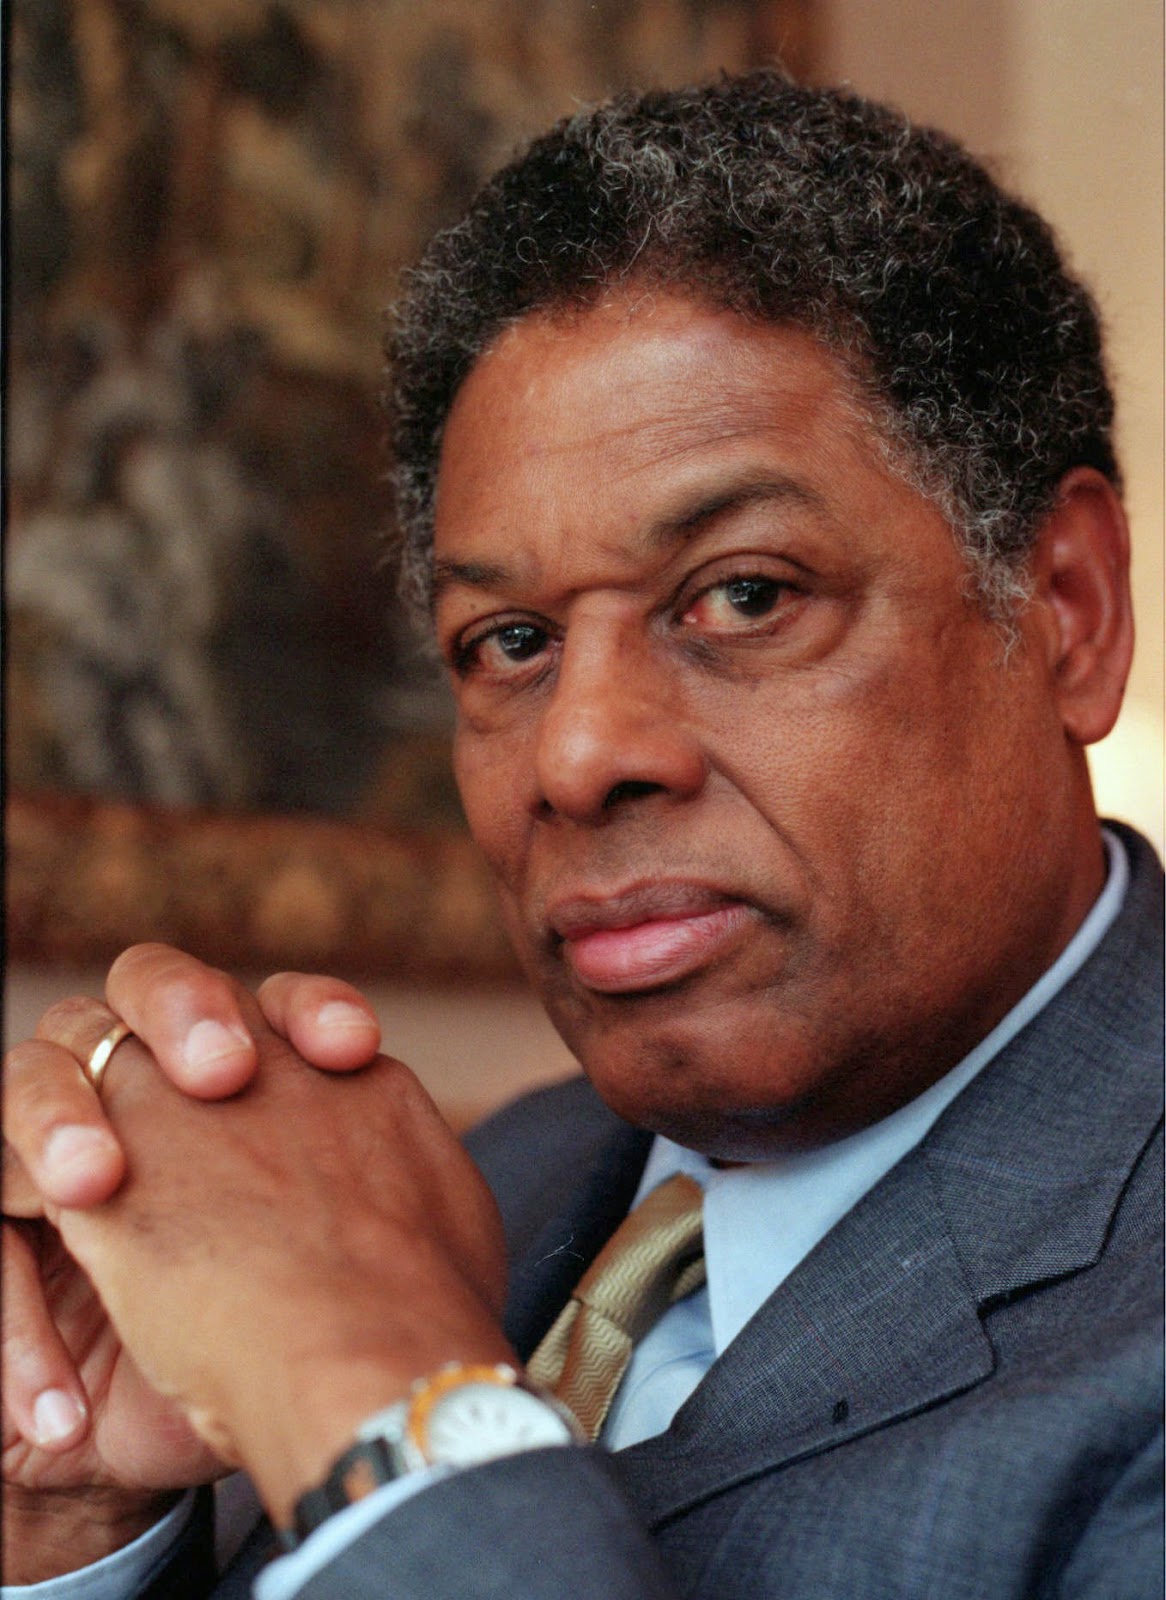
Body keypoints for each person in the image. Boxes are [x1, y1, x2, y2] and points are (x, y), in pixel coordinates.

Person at [3, 70, 1161, 1599]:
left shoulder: (354, 1293)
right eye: (509, 642)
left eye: (743, 595)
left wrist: (358, 1379)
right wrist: (78, 1525)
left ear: (1067, 612)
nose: (576, 755)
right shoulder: (486, 1180)